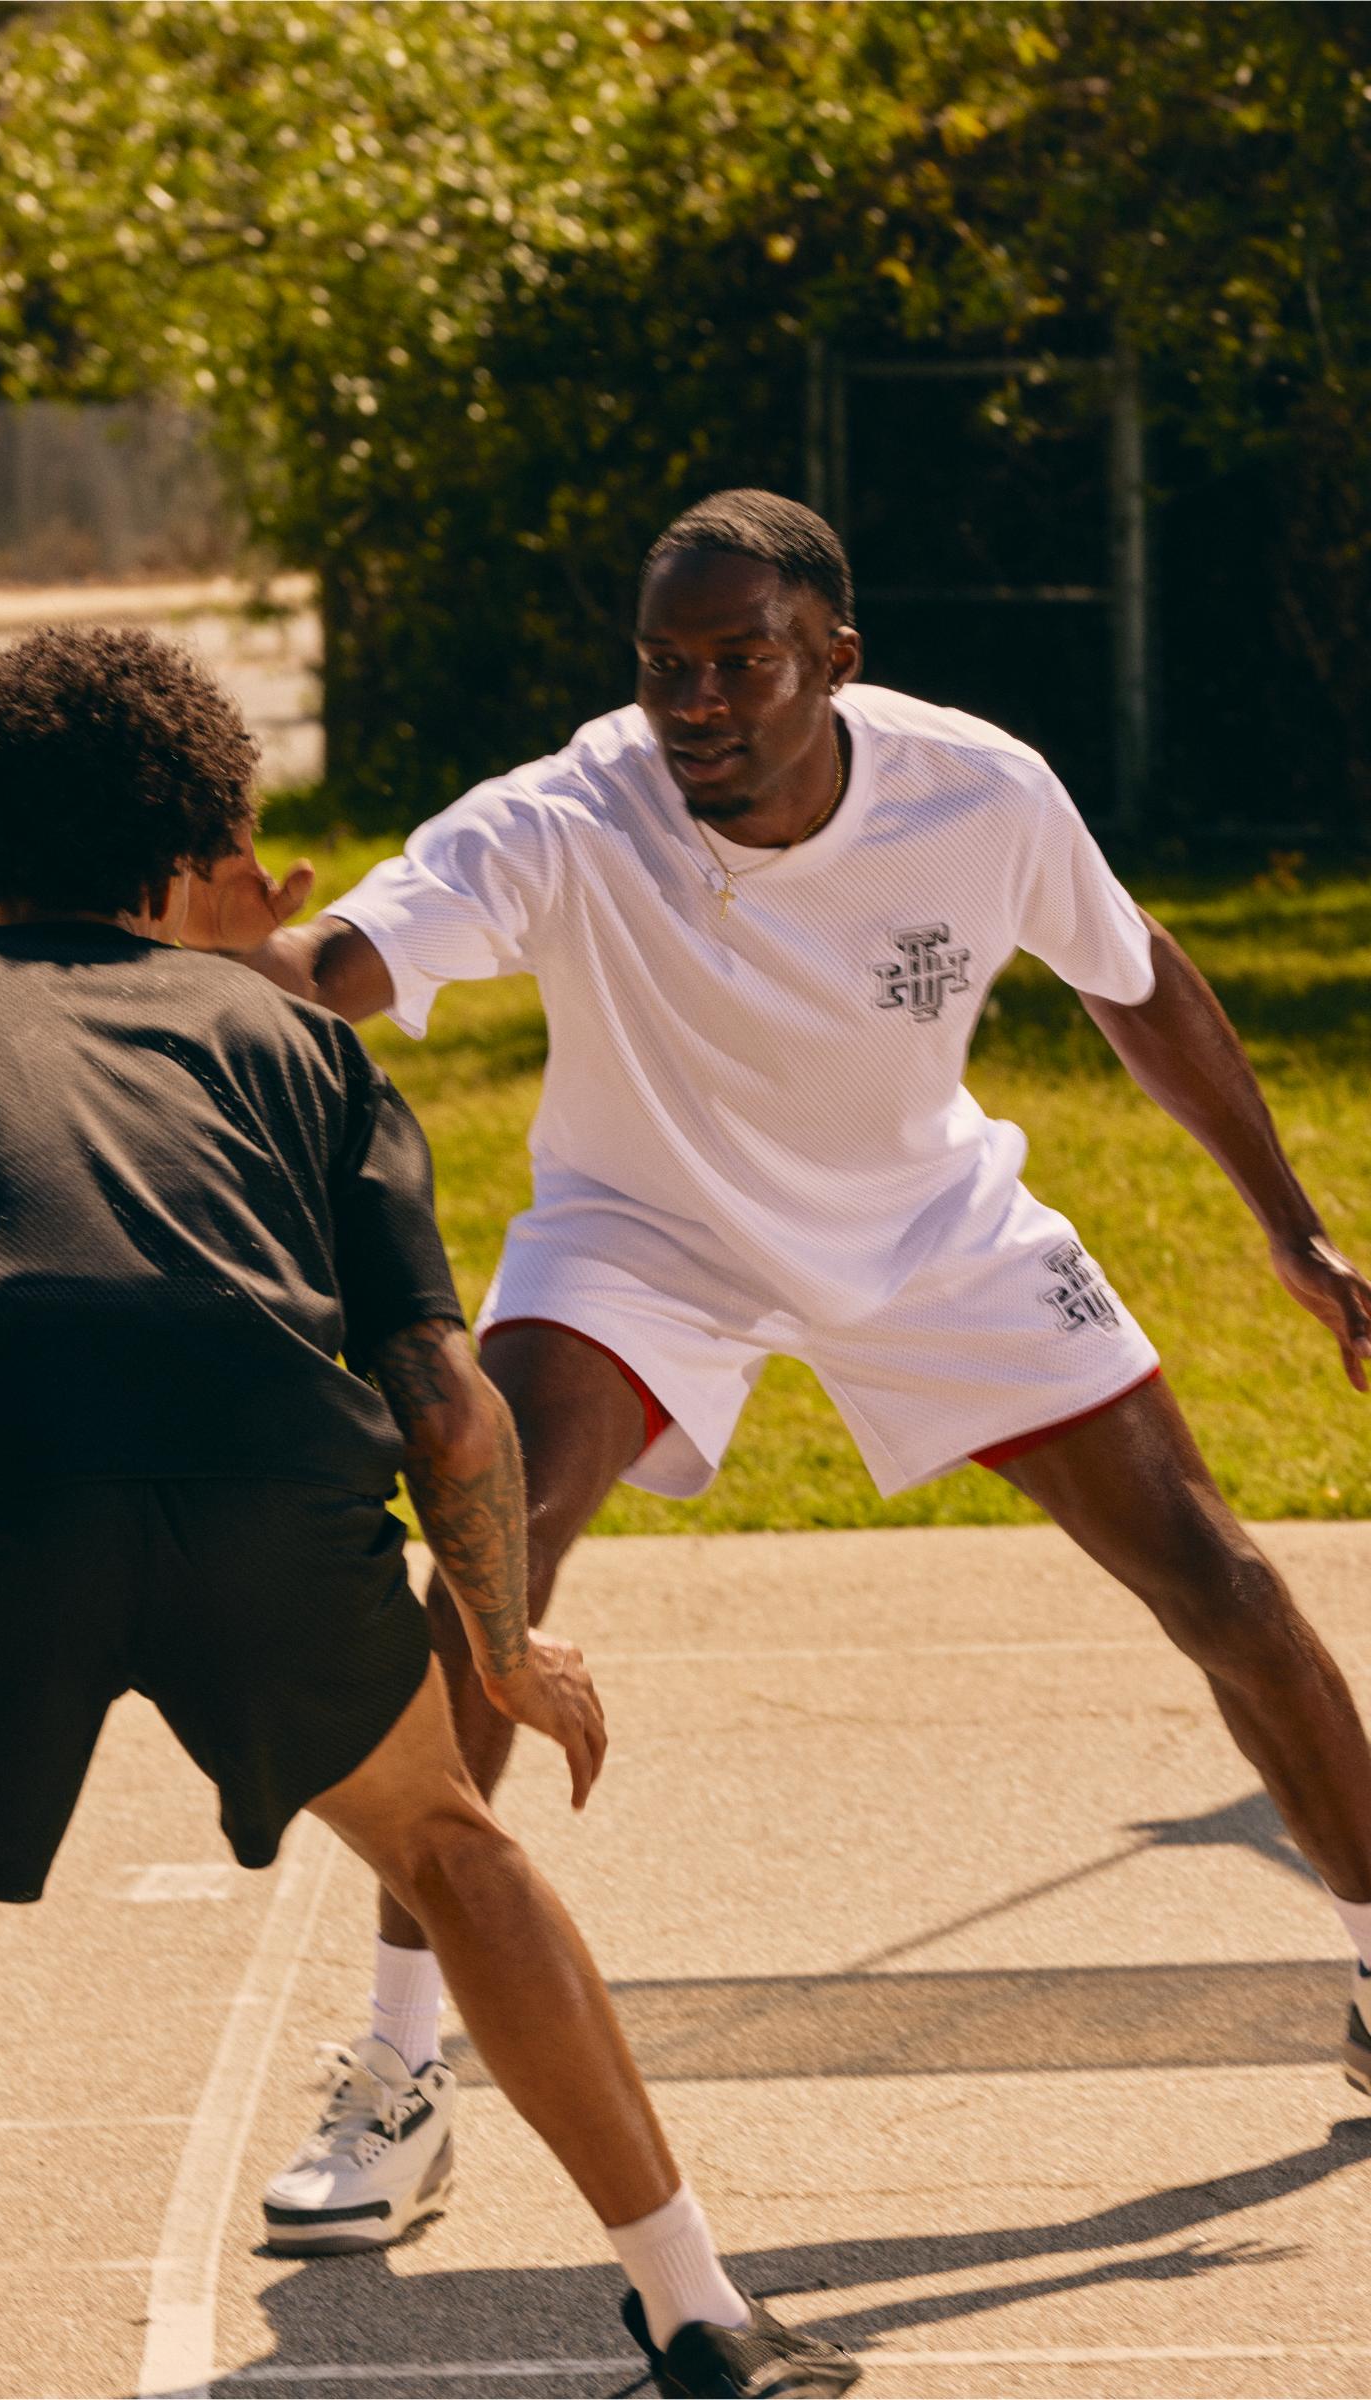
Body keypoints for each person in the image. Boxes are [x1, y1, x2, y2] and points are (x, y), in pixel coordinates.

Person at [185, 486, 1371, 2248]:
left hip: (929, 1229)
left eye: (743, 661)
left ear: (838, 660)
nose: (697, 702)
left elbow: (1143, 986)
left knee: (1222, 1581)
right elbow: (337, 963)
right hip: (642, 1239)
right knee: (485, 1565)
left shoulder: (976, 790)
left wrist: (1286, 1225)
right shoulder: (574, 808)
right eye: (668, 664)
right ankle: (400, 2074)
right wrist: (233, 969)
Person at [0, 623, 861, 2400]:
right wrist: (503, 1646)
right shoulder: (294, 1045)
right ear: (194, 850)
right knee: (450, 1846)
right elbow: (447, 1397)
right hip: (256, 1460)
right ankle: (698, 2312)